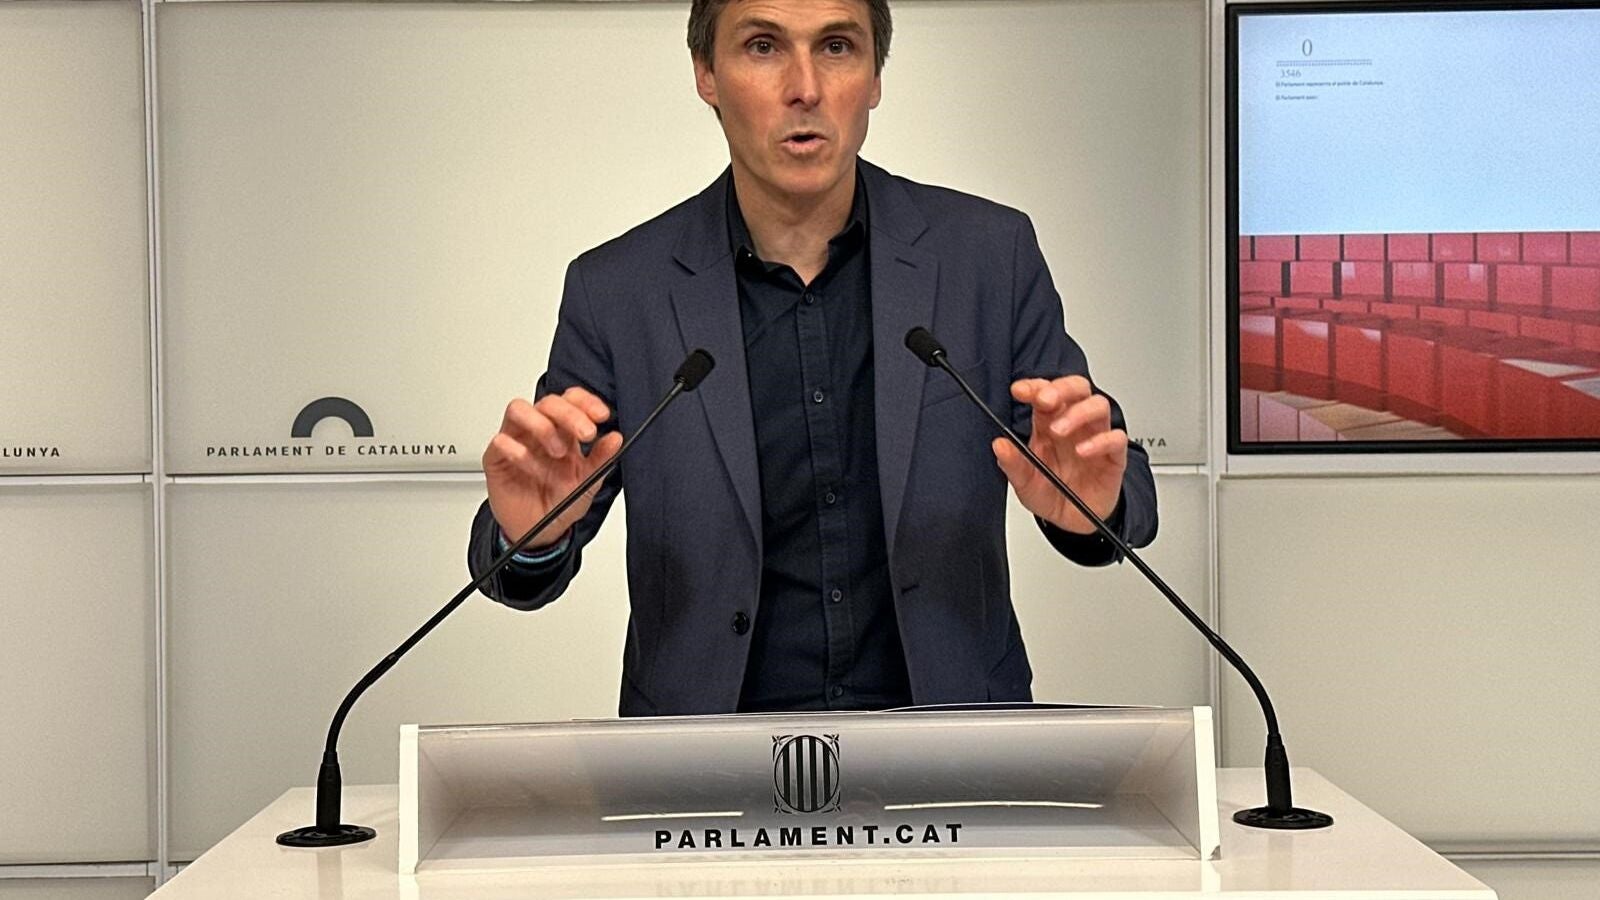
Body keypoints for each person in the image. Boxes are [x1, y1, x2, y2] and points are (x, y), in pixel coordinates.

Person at [467, 0, 1157, 716]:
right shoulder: (619, 290)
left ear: (875, 76)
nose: (805, 88)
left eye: (836, 47)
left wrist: (1091, 504)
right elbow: (522, 551)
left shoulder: (987, 256)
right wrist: (532, 537)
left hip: (952, 748)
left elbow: (1120, 489)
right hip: (701, 761)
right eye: (763, 47)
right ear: (706, 73)